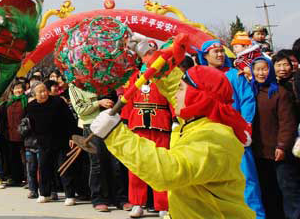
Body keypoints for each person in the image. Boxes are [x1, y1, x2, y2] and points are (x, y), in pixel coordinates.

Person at [92, 65, 255, 218]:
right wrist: (154, 60)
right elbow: (180, 87)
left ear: (196, 96)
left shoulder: (213, 138)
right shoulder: (199, 122)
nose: (175, 94)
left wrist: (116, 134)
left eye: (181, 89)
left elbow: (168, 171)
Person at [196, 39, 265, 218]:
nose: (220, 54)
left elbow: (247, 100)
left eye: (221, 51)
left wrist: (245, 126)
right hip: (210, 136)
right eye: (215, 52)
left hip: (235, 135)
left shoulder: (235, 75)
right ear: (205, 56)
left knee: (247, 179)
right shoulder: (198, 77)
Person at [118, 69, 174, 218]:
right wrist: (124, 120)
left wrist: (175, 119)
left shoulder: (165, 74)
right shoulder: (134, 76)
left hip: (160, 124)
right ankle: (137, 204)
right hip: (138, 124)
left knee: (162, 165)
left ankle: (163, 205)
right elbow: (128, 97)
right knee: (137, 165)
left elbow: (172, 97)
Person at [249, 57, 300, 218]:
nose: (261, 73)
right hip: (258, 152)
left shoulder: (279, 92)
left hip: (278, 152)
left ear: (270, 70)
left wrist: (282, 146)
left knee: (287, 190)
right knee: (267, 190)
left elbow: (288, 123)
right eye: (257, 69)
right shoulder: (250, 92)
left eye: (265, 69)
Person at [68, 83, 129, 212]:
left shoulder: (103, 79)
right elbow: (80, 109)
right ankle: (98, 198)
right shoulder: (74, 86)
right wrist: (99, 103)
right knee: (97, 164)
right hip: (92, 126)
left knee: (116, 162)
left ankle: (120, 198)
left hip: (111, 123)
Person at [21, 81, 74, 204]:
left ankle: (70, 195)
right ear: (34, 94)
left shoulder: (58, 102)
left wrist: (72, 136)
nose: (44, 93)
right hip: (43, 142)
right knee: (44, 168)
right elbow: (31, 124)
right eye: (40, 92)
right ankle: (45, 193)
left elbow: (69, 119)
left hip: (61, 140)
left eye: (45, 90)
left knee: (64, 168)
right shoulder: (31, 106)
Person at [2, 80, 27, 187]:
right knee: (13, 157)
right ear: (12, 90)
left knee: (25, 158)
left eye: (20, 88)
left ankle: (28, 178)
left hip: (24, 134)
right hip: (10, 133)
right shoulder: (9, 102)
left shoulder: (26, 101)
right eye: (16, 88)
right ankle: (16, 178)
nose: (18, 90)